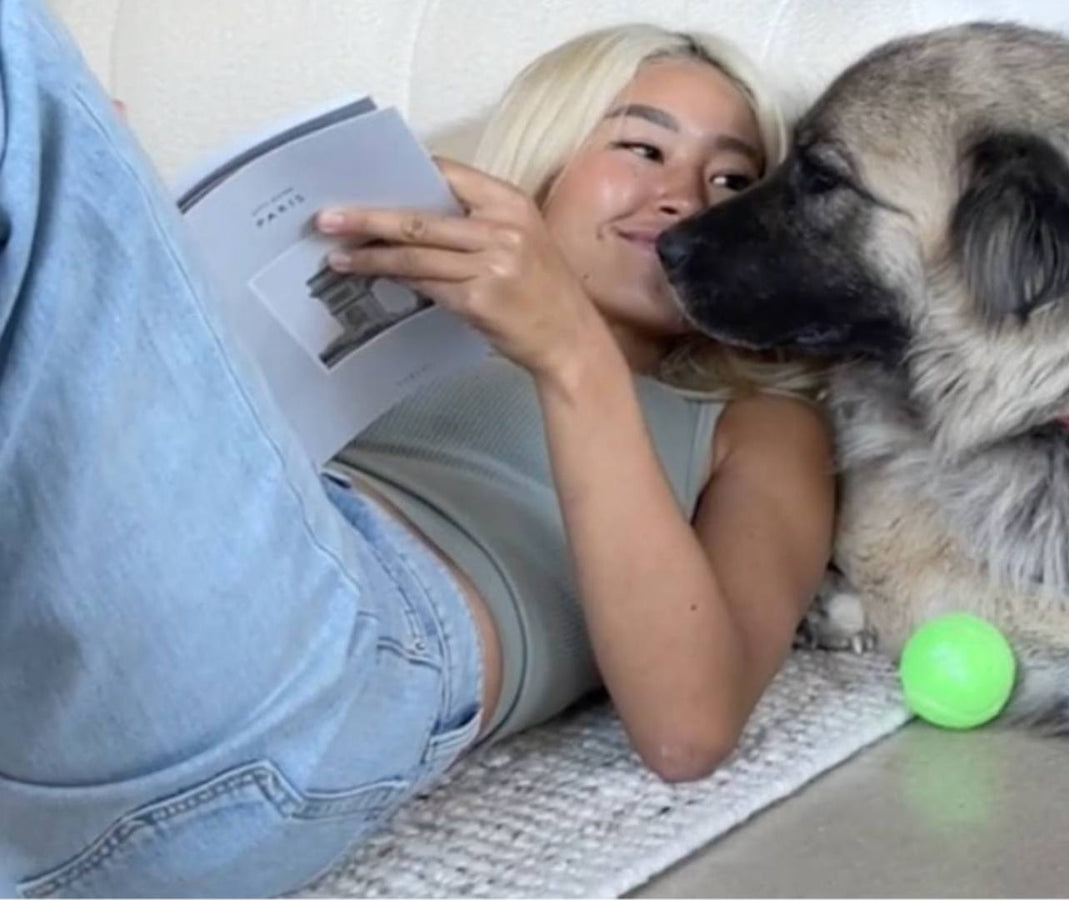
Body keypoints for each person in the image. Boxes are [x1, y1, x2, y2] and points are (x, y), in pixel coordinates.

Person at [0, 0, 834, 895]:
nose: (683, 197)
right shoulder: (411, 312)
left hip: (323, 676)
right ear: (545, 163)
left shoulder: (758, 427)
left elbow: (688, 728)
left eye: (734, 182)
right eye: (643, 147)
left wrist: (572, 356)